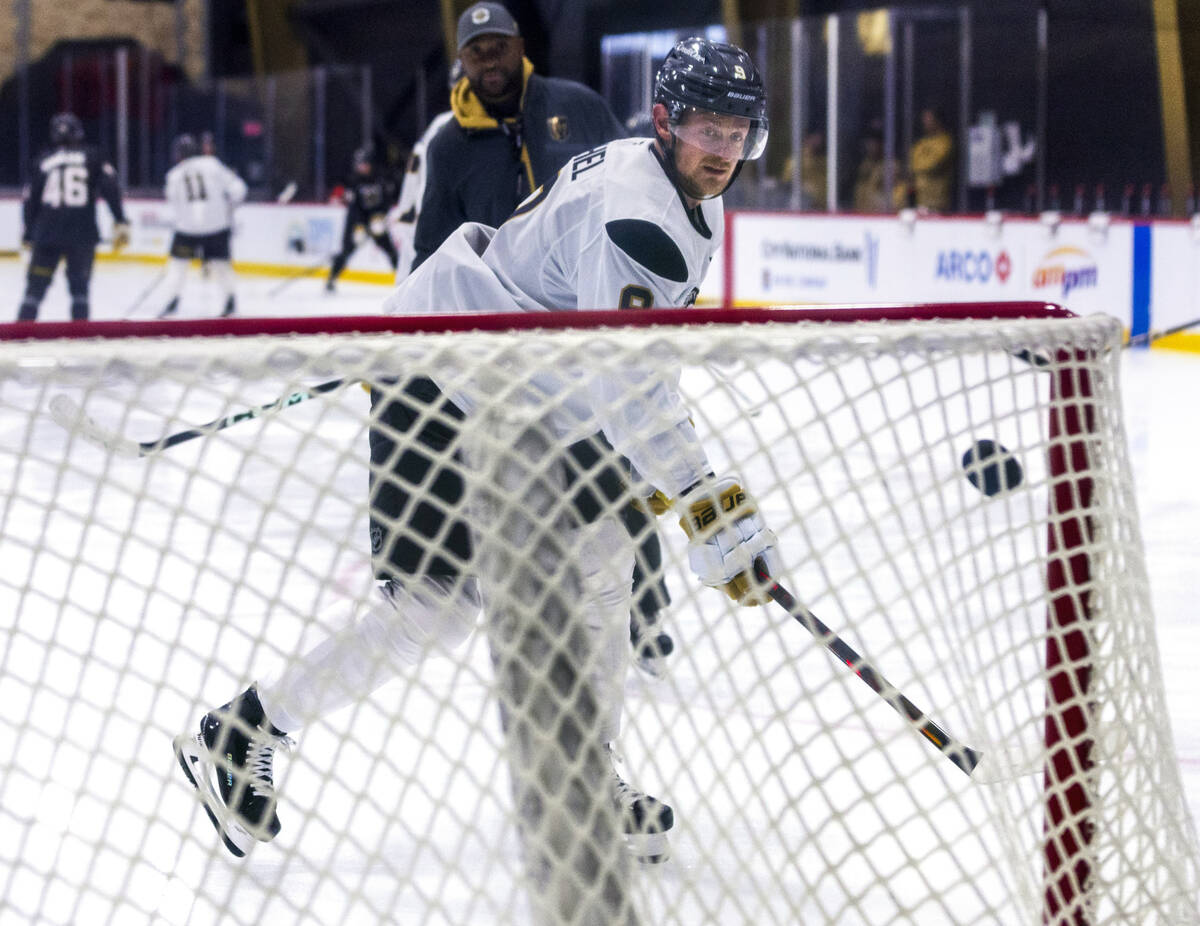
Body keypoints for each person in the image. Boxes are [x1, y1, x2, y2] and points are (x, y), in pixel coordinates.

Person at [173, 36, 778, 875]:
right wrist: (705, 494)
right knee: (437, 605)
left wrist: (702, 493)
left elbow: (627, 367)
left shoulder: (679, 193)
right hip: (448, 381)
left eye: (738, 131)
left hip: (522, 392)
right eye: (708, 129)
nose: (723, 151)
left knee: (605, 557)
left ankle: (580, 773)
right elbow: (625, 386)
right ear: (669, 122)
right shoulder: (640, 215)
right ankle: (241, 733)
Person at [412, 0, 675, 677]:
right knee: (560, 493)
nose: (490, 60)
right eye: (477, 52)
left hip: (589, 320)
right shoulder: (448, 147)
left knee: (629, 468)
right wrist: (405, 336)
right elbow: (429, 253)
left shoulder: (576, 105)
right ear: (462, 62)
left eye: (498, 45)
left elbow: (637, 177)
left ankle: (647, 609)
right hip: (507, 354)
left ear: (519, 44)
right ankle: (574, 620)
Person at [16, 112, 129, 321]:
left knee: (33, 293)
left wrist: (29, 233)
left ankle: (18, 338)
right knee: (80, 293)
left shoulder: (42, 160)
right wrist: (120, 219)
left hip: (47, 234)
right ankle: (80, 339)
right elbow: (110, 188)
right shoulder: (93, 156)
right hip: (82, 234)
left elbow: (30, 200)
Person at [157, 133, 248, 318]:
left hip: (186, 229)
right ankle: (230, 299)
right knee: (222, 264)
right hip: (216, 226)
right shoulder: (212, 165)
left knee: (177, 265)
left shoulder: (173, 175)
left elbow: (173, 203)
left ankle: (172, 299)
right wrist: (227, 208)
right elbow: (239, 189)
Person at [325, 144, 400, 292]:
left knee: (390, 249)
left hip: (376, 221)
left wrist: (380, 218)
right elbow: (354, 207)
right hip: (357, 222)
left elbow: (386, 201)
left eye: (364, 164)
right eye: (359, 164)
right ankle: (331, 279)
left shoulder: (381, 178)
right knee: (346, 250)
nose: (361, 167)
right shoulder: (353, 180)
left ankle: (405, 278)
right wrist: (358, 226)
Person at [908, 106, 955, 212]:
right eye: (924, 118)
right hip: (920, 202)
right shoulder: (921, 143)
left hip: (938, 204)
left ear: (937, 120)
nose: (924, 122)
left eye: (928, 118)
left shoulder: (945, 141)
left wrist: (918, 163)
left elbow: (932, 164)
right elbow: (911, 162)